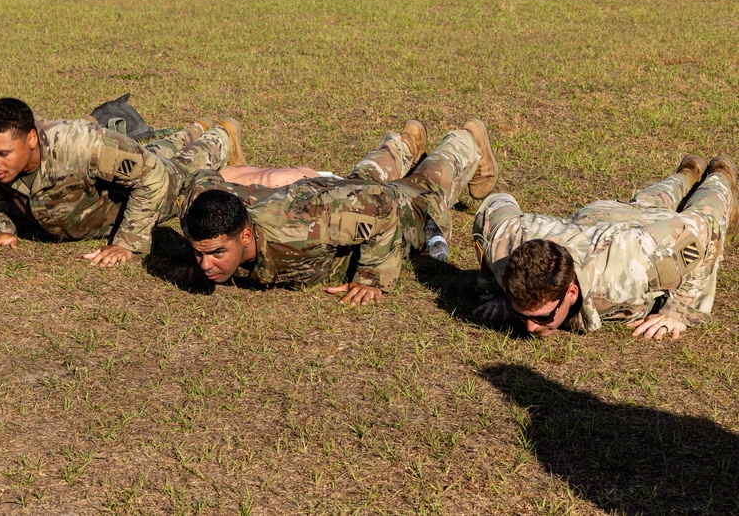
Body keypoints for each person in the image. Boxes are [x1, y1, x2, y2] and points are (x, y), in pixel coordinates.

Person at [178, 119, 499, 304]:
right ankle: (405, 143)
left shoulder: (301, 228)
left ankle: (467, 139)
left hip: (391, 210)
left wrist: (372, 276)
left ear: (245, 235)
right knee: (360, 181)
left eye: (217, 252)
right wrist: (200, 253)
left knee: (426, 187)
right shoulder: (200, 215)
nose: (206, 264)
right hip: (336, 197)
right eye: (199, 253)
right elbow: (197, 182)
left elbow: (383, 207)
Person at [472, 154, 737, 340]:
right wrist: (494, 290)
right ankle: (687, 174)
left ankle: (719, 174)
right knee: (644, 204)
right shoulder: (504, 248)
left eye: (542, 317)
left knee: (700, 208)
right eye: (522, 315)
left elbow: (706, 228)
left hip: (641, 234)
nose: (529, 328)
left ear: (571, 293)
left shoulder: (634, 265)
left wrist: (679, 311)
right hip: (598, 216)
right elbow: (495, 204)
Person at [0, 97, 245, 267]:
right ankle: (194, 129)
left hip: (134, 198)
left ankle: (221, 135)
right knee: (148, 156)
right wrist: (1, 229)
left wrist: (127, 242)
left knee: (178, 169)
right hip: (115, 180)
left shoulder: (82, 146)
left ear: (31, 139)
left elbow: (153, 178)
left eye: (3, 155)